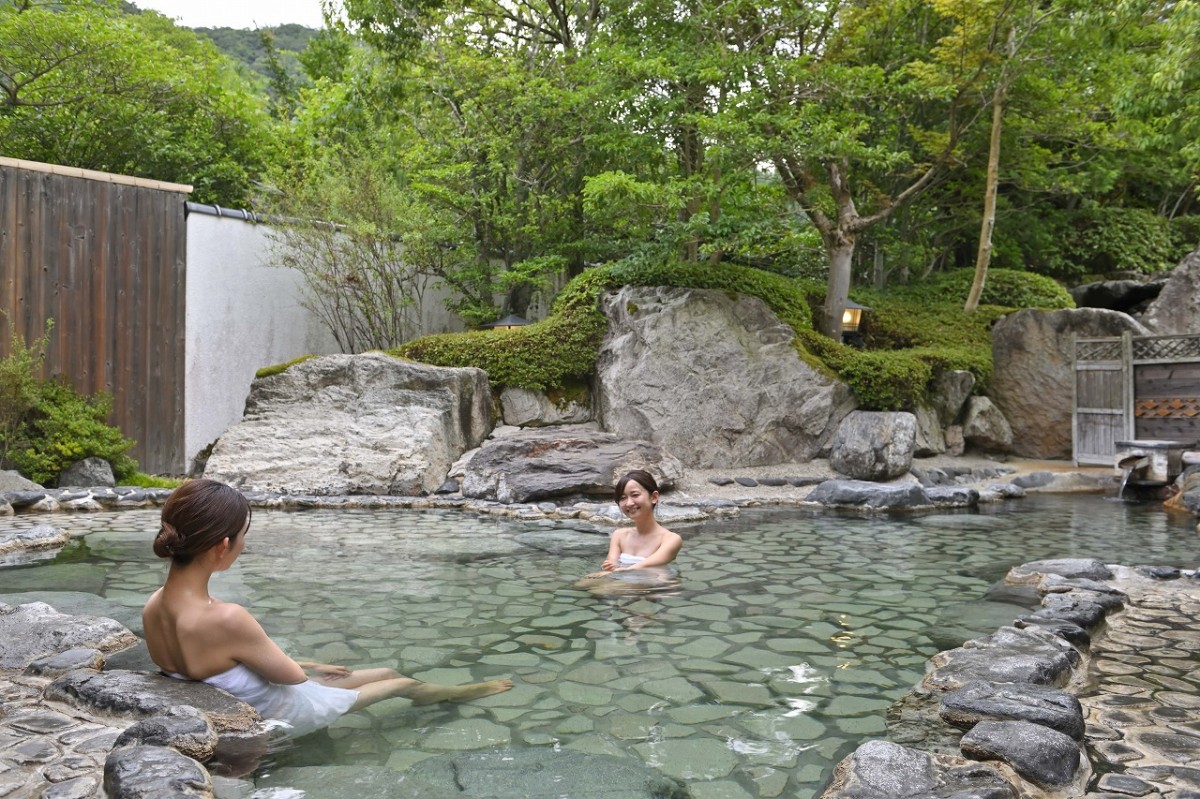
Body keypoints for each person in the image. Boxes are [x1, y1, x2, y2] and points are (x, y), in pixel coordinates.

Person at [142, 479, 512, 738]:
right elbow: (291, 679)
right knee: (399, 682)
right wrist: (307, 670)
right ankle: (460, 693)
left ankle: (436, 693)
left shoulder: (154, 606)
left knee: (381, 669)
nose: (243, 545)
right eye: (243, 537)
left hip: (261, 693)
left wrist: (315, 665)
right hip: (286, 710)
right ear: (223, 546)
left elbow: (223, 662)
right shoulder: (225, 617)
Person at [588, 469, 683, 577]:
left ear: (654, 497)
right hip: (624, 584)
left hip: (654, 588)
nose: (629, 503)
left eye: (635, 495)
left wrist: (621, 571)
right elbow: (611, 567)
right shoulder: (619, 535)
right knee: (584, 584)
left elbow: (647, 565)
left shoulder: (671, 539)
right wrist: (609, 566)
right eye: (623, 498)